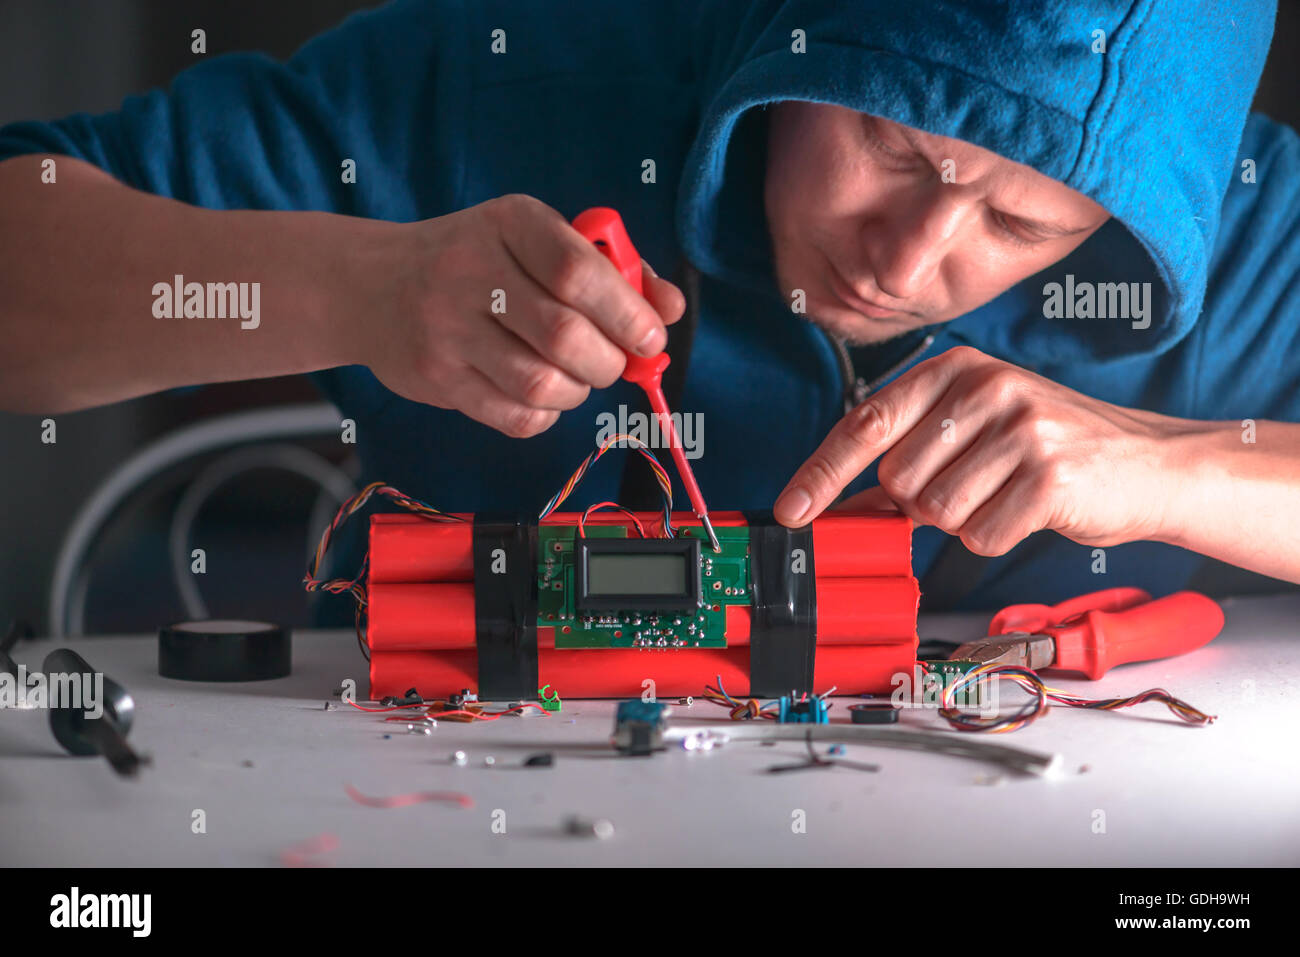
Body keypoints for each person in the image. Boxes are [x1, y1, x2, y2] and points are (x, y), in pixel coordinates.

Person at [1, 0, 1296, 612]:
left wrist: (1179, 470)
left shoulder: (1239, 222)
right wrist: (363, 288)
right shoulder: (497, 85)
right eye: (890, 146)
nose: (907, 259)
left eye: (1024, 224)